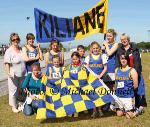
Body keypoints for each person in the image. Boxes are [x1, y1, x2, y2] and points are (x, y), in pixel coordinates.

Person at [116, 33, 147, 108]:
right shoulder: (119, 49)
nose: (123, 41)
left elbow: (137, 62)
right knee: (125, 88)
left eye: (125, 39)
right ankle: (125, 104)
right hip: (124, 72)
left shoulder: (134, 49)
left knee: (135, 87)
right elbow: (118, 61)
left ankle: (137, 105)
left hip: (133, 71)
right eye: (122, 40)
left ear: (128, 39)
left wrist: (136, 72)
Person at [84, 41, 108, 118]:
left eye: (97, 48)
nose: (95, 49)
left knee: (100, 95)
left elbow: (105, 68)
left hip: (100, 79)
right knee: (93, 95)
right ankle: (94, 111)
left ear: (99, 48)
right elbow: (86, 69)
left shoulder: (102, 56)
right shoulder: (88, 57)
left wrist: (100, 76)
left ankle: (100, 110)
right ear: (91, 49)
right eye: (94, 48)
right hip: (91, 80)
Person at [4, 33, 26, 113]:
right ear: (11, 41)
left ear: (19, 40)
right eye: (13, 39)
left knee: (21, 89)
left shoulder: (21, 49)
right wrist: (8, 73)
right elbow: (7, 63)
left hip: (23, 73)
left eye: (17, 39)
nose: (15, 41)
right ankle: (14, 106)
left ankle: (20, 104)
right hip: (13, 74)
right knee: (13, 90)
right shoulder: (9, 51)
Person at [114, 52, 139, 119]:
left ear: (128, 60)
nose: (123, 60)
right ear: (119, 60)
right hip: (119, 96)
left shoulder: (132, 70)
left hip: (128, 97)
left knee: (129, 116)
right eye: (122, 58)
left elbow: (136, 85)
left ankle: (138, 110)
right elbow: (116, 84)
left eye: (125, 58)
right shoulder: (117, 70)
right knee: (119, 114)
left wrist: (128, 92)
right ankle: (124, 110)